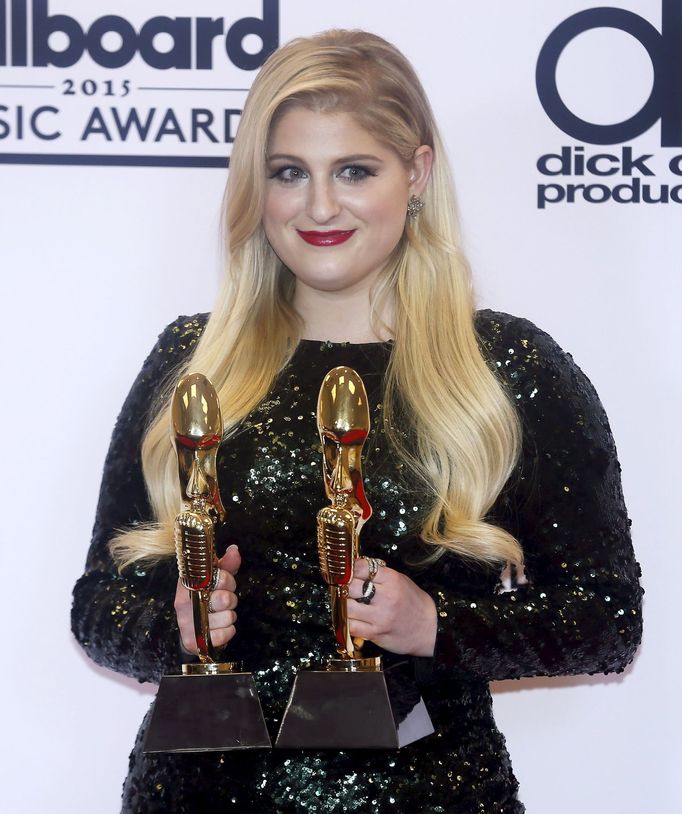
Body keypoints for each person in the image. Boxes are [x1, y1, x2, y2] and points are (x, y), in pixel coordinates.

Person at [71, 29, 643, 814]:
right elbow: (98, 602)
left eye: (354, 171)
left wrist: (434, 622)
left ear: (416, 173)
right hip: (194, 795)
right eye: (289, 173)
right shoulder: (191, 361)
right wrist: (174, 621)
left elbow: (605, 620)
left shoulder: (506, 367)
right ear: (256, 186)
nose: (320, 206)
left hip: (429, 794)